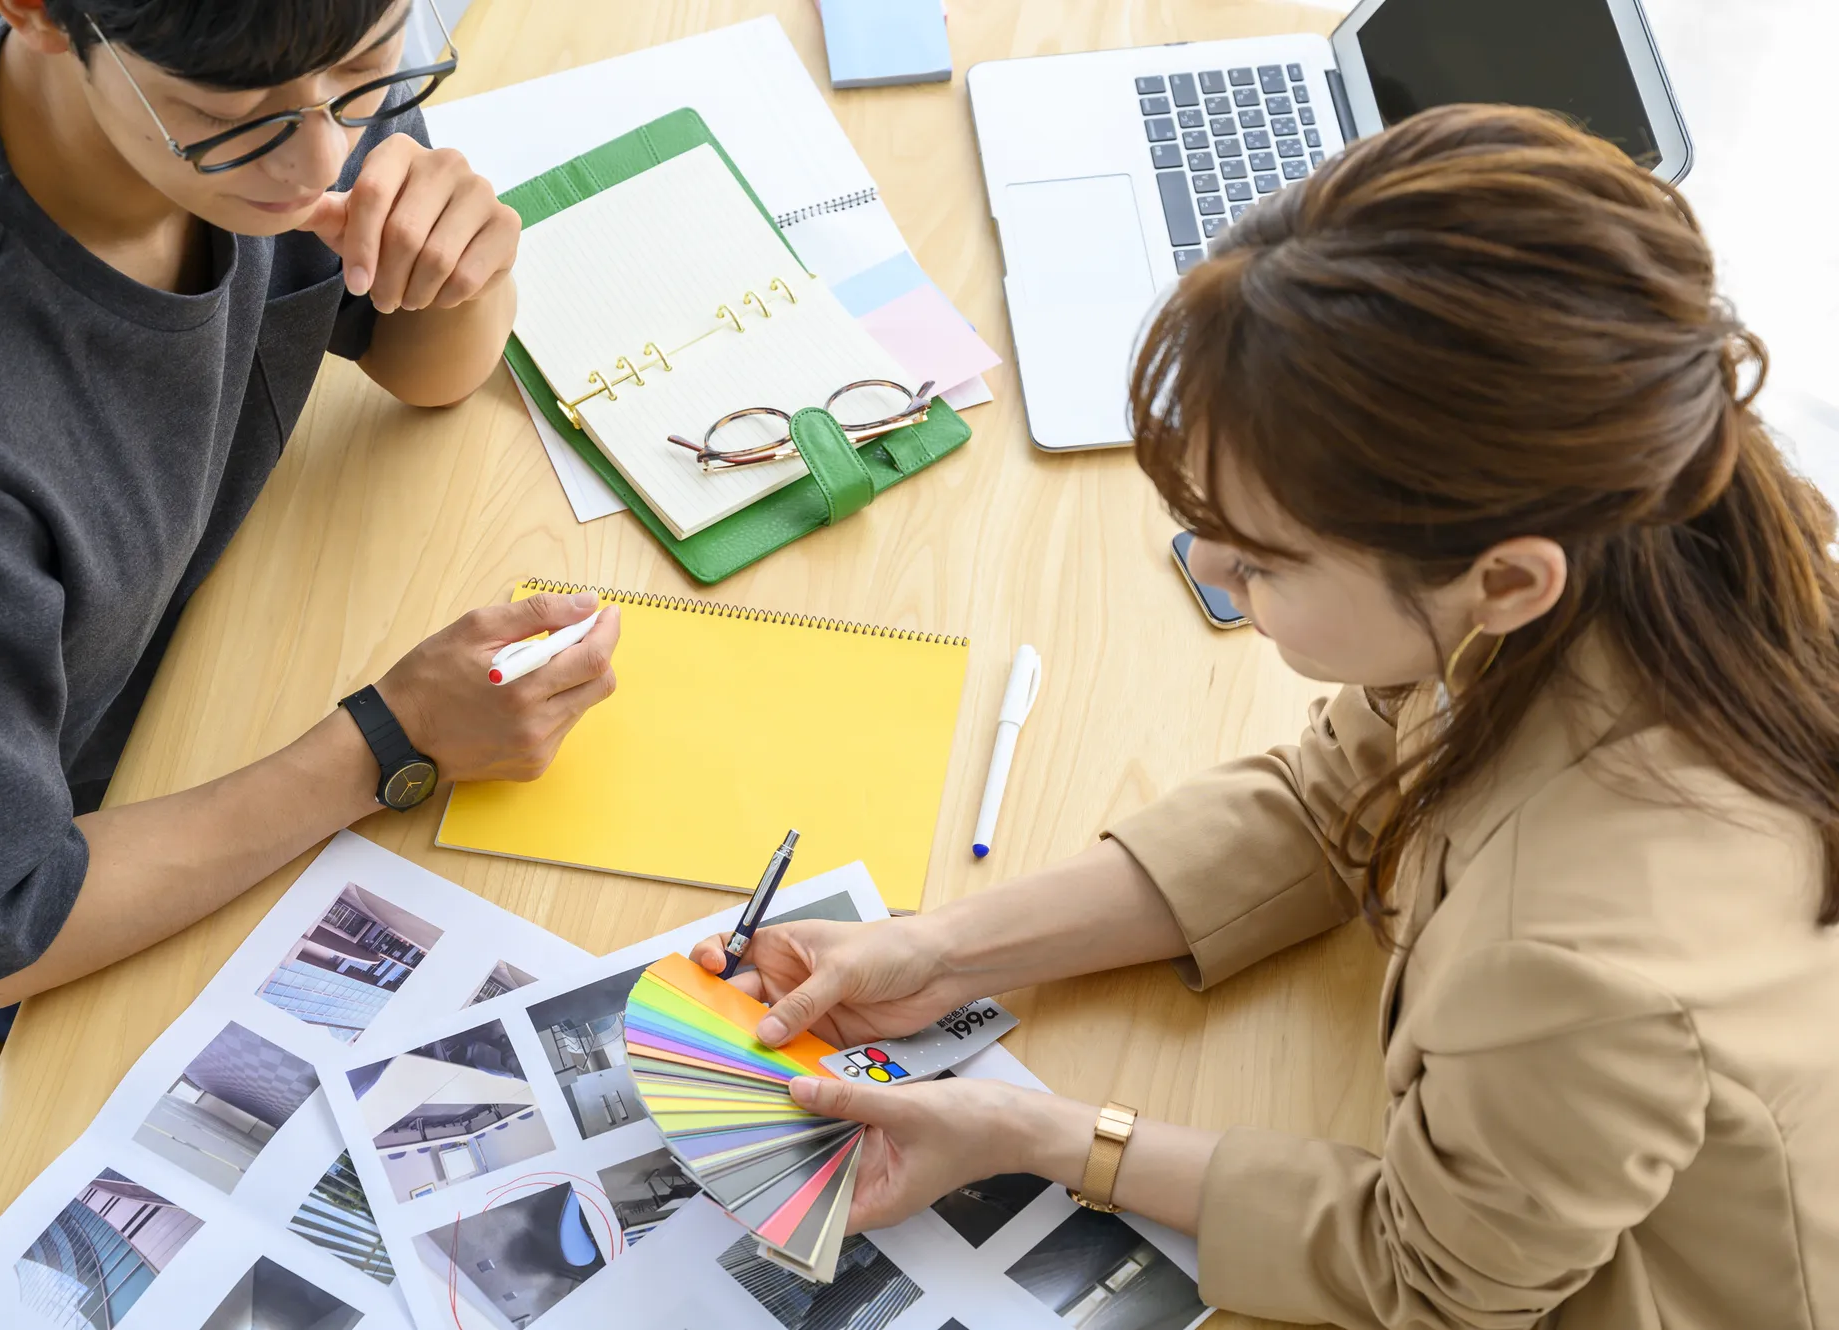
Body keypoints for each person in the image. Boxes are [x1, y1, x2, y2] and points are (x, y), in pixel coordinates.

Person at [695, 104, 1839, 1329]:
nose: (1209, 570)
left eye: (1267, 562)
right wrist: (947, 951)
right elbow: (1337, 798)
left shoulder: (1570, 957)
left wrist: (1036, 1132)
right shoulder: (1633, 543)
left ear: (1505, 576)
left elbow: (1429, 1278)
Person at [0, 0, 620, 1039]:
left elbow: (422, 370)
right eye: (231, 119)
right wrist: (388, 741)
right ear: (34, 14)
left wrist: (458, 268)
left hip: (193, 666)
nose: (317, 162)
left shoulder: (277, 43)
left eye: (364, 77)